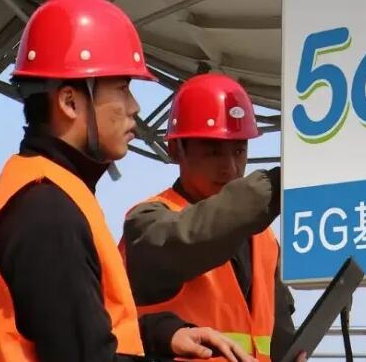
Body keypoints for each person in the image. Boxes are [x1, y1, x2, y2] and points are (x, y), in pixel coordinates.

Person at [0, 0, 253, 362]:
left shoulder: (51, 191)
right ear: (70, 102)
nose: (135, 107)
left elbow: (84, 333)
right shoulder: (47, 210)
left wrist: (163, 334)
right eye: (123, 89)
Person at [121, 73, 304, 362]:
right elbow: (198, 232)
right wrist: (280, 184)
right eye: (213, 151)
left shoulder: (264, 239)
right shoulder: (148, 224)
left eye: (239, 150)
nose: (229, 167)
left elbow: (277, 335)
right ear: (175, 150)